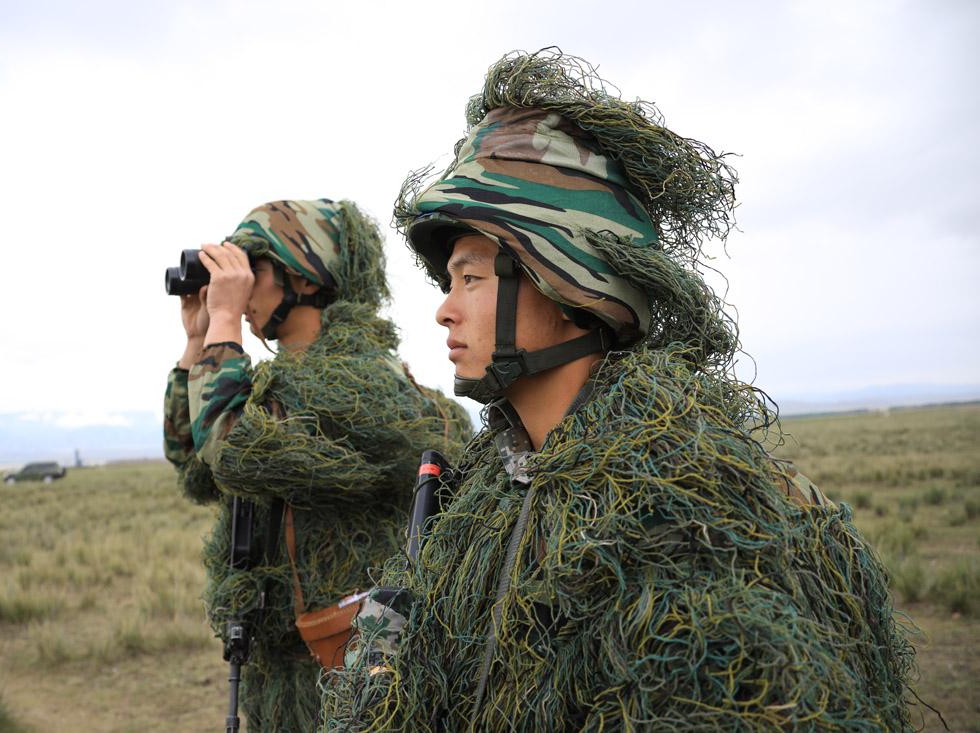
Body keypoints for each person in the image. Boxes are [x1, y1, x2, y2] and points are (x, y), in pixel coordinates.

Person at [320, 51, 916, 731]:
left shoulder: (684, 507)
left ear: (566, 281)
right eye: (450, 283)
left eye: (472, 279)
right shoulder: (493, 484)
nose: (444, 310)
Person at [162, 198, 471, 731]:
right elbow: (195, 462)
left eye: (252, 269)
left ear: (305, 278)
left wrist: (223, 324)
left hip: (352, 676)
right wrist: (198, 343)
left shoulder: (363, 387)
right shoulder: (276, 389)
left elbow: (232, 450)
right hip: (281, 677)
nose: (233, 288)